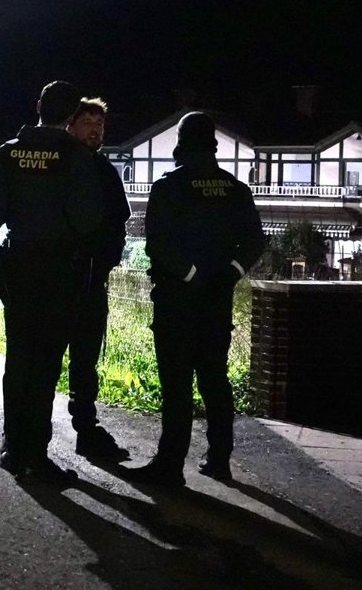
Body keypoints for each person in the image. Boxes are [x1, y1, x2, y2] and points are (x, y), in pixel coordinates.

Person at [128, 112, 265, 487]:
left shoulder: (169, 186)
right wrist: (230, 273)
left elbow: (157, 245)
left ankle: (170, 465)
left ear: (181, 142)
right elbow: (255, 240)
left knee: (177, 385)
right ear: (213, 144)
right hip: (217, 301)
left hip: (177, 300)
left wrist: (190, 274)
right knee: (215, 380)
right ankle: (219, 460)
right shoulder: (235, 188)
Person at [0, 80, 102, 486]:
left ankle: (12, 447)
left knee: (18, 359)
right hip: (59, 272)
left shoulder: (9, 153)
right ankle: (36, 454)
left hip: (18, 269)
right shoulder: (78, 158)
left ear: (38, 107)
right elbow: (88, 221)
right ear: (71, 116)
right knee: (46, 363)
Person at [65, 98, 132, 461]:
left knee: (85, 361)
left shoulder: (105, 170)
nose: (95, 130)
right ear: (71, 125)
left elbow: (120, 220)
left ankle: (86, 430)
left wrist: (106, 261)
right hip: (59, 281)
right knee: (46, 359)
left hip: (92, 281)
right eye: (88, 122)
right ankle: (29, 434)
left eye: (100, 124)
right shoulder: (60, 164)